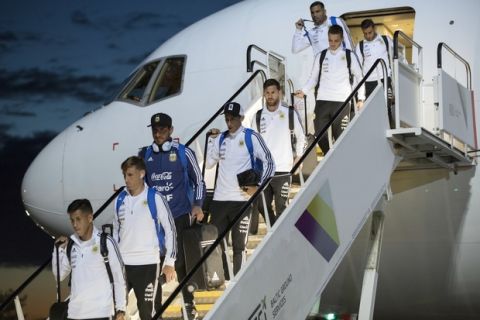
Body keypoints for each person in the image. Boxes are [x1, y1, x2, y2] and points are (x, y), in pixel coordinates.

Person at [139, 112, 206, 320]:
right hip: (155, 222)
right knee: (155, 266)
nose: (158, 133)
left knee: (182, 266)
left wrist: (197, 205)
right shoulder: (143, 155)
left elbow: (200, 182)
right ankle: (156, 311)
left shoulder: (184, 153)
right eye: (155, 130)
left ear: (171, 130)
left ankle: (188, 305)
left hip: (179, 216)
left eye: (162, 129)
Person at [206, 102, 275, 276]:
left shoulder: (251, 136)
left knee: (239, 245)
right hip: (220, 199)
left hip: (241, 201)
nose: (229, 122)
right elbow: (209, 163)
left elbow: (269, 162)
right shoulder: (221, 138)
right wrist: (212, 140)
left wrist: (259, 188)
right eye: (227, 119)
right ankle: (223, 277)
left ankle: (238, 280)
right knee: (217, 243)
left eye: (233, 119)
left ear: (241, 118)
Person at [114, 156, 177, 320]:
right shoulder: (120, 200)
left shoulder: (155, 198)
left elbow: (170, 230)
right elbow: (115, 232)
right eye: (125, 175)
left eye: (130, 175)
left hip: (148, 264)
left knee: (148, 314)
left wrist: (169, 262)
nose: (126, 179)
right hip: (123, 265)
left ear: (142, 174)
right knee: (114, 311)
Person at [295, 25, 365, 155]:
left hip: (342, 102)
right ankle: (330, 156)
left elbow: (360, 77)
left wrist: (361, 98)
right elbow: (313, 78)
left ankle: (341, 160)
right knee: (320, 135)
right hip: (322, 101)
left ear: (341, 39)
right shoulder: (321, 56)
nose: (333, 43)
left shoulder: (349, 55)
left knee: (342, 137)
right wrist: (304, 90)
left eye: (336, 40)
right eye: (330, 40)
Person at [52, 199, 127, 320]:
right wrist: (58, 251)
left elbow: (119, 276)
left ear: (90, 218)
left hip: (101, 314)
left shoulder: (106, 242)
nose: (75, 225)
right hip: (74, 315)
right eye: (72, 220)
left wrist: (121, 309)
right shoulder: (71, 246)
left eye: (78, 219)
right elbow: (58, 276)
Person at [250, 79, 305, 226]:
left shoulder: (290, 113)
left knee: (282, 208)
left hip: (284, 170)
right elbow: (252, 145)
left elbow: (301, 137)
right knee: (262, 206)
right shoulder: (257, 116)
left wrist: (299, 157)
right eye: (267, 93)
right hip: (265, 172)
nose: (270, 95)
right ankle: (275, 232)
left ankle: (279, 240)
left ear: (279, 93)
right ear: (264, 94)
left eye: (273, 92)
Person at [355, 18, 394, 124]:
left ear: (375, 28)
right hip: (368, 82)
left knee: (386, 107)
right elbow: (357, 69)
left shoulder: (386, 40)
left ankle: (388, 131)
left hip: (385, 79)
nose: (368, 36)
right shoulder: (360, 45)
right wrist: (360, 96)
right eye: (365, 33)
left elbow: (396, 58)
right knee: (369, 110)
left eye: (370, 32)